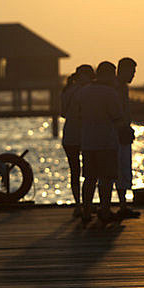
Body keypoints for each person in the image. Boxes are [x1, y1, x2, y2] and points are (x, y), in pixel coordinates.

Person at [79, 61, 124, 223]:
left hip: (87, 141)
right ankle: (104, 210)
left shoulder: (83, 92)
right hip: (106, 141)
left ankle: (86, 211)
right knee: (106, 178)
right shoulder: (110, 93)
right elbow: (117, 117)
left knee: (89, 178)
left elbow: (78, 114)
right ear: (110, 74)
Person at [60, 65, 95, 217]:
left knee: (74, 171)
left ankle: (78, 204)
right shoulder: (86, 91)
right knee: (90, 172)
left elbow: (62, 113)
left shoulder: (67, 90)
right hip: (85, 135)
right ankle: (88, 204)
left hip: (69, 135)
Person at [114, 57, 140, 219]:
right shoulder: (118, 88)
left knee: (122, 169)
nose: (133, 75)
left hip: (122, 131)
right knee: (120, 168)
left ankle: (122, 205)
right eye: (132, 72)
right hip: (118, 133)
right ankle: (121, 205)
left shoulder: (122, 87)